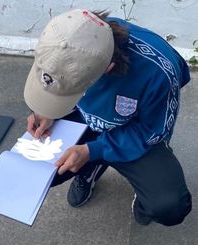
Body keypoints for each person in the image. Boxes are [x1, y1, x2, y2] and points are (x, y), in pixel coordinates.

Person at [24, 9, 192, 226]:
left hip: (133, 130)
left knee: (169, 206)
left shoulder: (159, 72)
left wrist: (93, 150)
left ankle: (135, 192)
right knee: (36, 171)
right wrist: (47, 111)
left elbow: (152, 131)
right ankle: (91, 166)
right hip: (88, 120)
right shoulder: (63, 37)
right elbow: (55, 78)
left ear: (108, 68)